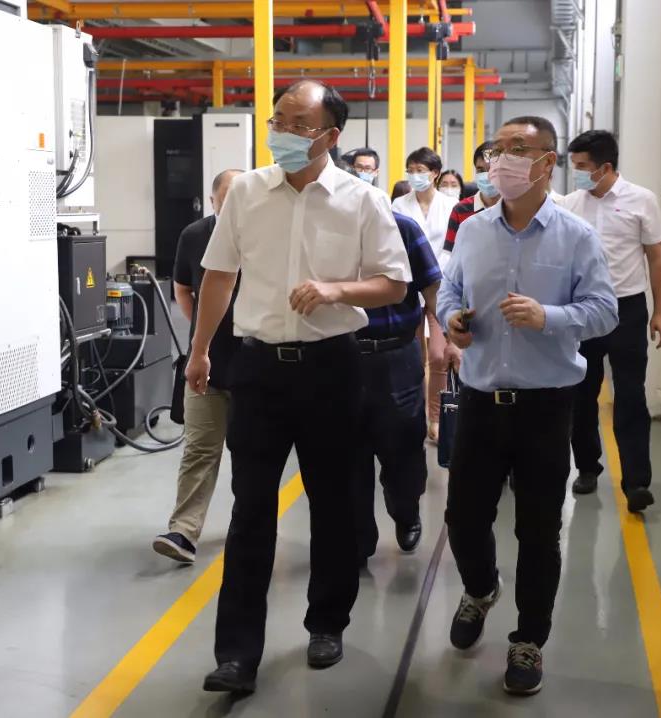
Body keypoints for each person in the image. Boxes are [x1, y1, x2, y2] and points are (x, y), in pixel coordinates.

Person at [187, 79, 410, 695]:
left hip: (332, 368)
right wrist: (199, 351)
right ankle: (237, 654)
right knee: (250, 510)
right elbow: (218, 275)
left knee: (334, 504)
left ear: (330, 136)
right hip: (258, 370)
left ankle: (327, 622)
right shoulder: (247, 193)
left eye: (297, 124)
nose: (281, 132)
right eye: (277, 120)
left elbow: (394, 283)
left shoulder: (362, 201)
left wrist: (337, 290)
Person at [436, 116, 618, 696]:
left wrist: (550, 317)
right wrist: (453, 319)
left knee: (539, 530)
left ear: (546, 161)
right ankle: (481, 588)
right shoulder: (472, 229)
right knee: (464, 517)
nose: (502, 159)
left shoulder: (576, 236)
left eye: (517, 149)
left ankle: (529, 640)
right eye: (498, 149)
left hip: (545, 405)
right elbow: (449, 291)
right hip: (480, 399)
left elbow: (605, 310)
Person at [562, 129, 661, 513]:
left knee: (630, 396)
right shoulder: (570, 204)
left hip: (627, 309)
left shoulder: (642, 200)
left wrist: (659, 312)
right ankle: (587, 467)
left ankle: (636, 481)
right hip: (584, 310)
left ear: (605, 167)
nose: (576, 173)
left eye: (582, 166)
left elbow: (656, 257)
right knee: (582, 394)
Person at [153, 169, 243, 565]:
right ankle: (184, 531)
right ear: (213, 200)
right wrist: (202, 334)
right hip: (205, 363)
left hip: (255, 365)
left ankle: (247, 525)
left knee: (250, 453)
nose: (236, 203)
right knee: (199, 449)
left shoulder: (262, 232)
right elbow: (183, 288)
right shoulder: (194, 235)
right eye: (228, 196)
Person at [353, 211, 442, 566]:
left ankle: (406, 513)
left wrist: (447, 337)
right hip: (341, 355)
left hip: (396, 355)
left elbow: (433, 289)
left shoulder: (401, 228)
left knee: (403, 447)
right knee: (347, 455)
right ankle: (359, 538)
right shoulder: (321, 226)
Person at [392, 147, 460, 442]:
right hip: (407, 286)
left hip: (439, 285)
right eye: (411, 170)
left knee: (438, 354)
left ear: (435, 173)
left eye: (421, 170)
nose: (415, 176)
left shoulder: (451, 205)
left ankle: (436, 417)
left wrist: (436, 272)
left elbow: (452, 248)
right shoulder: (398, 204)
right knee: (414, 355)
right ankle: (415, 416)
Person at [444, 141, 500, 253]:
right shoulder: (460, 210)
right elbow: (450, 255)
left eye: (492, 169)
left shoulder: (515, 208)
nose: (487, 175)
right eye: (480, 170)